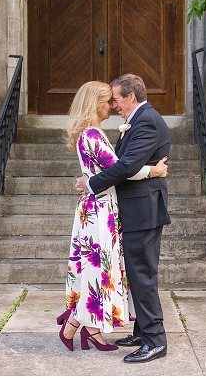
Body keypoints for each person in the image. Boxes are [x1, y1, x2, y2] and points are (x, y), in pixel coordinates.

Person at [58, 81, 168, 353]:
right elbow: (124, 168)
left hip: (102, 206)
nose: (113, 106)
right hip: (100, 209)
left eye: (115, 100)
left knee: (108, 271)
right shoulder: (93, 135)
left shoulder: (93, 133)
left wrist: (91, 180)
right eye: (108, 101)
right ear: (96, 104)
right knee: (100, 270)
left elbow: (119, 167)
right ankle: (77, 324)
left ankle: (89, 328)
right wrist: (153, 171)